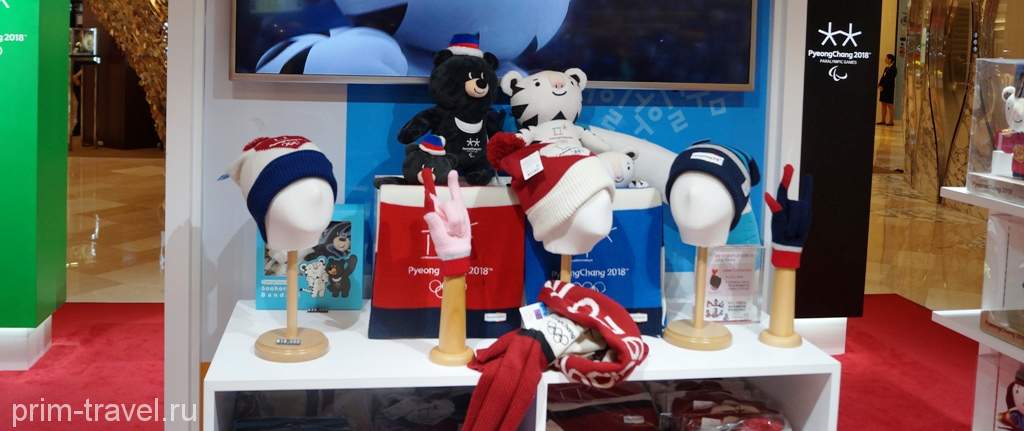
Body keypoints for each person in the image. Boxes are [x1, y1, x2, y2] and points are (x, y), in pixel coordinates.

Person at [877, 54, 897, 126]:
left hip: (889, 89)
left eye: (886, 58)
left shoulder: (894, 69)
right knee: (883, 104)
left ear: (890, 59)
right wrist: (879, 85)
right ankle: (883, 120)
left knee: (890, 105)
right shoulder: (886, 68)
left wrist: (883, 86)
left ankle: (891, 121)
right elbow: (883, 77)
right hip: (883, 89)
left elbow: (890, 80)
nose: (885, 60)